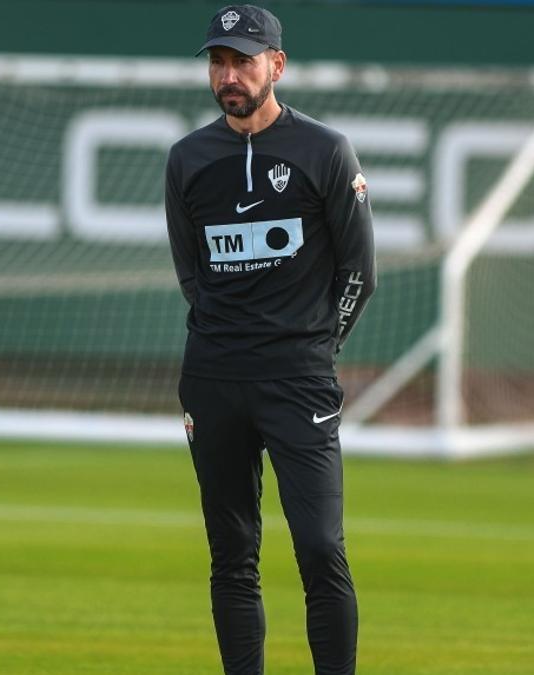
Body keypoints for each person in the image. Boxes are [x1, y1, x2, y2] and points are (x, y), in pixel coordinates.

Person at [165, 5, 376, 673]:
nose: (229, 74)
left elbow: (360, 273)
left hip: (299, 382)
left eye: (243, 60)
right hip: (214, 379)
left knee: (319, 547)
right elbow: (192, 275)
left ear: (276, 66)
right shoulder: (188, 159)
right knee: (231, 552)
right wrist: (232, 343)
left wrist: (314, 348)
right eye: (218, 62)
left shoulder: (324, 150)